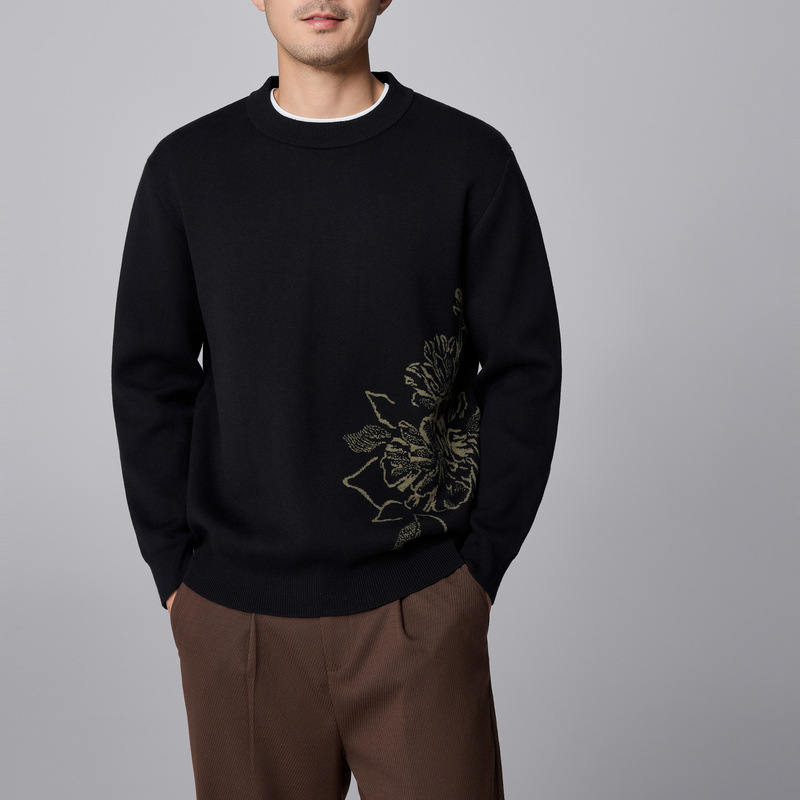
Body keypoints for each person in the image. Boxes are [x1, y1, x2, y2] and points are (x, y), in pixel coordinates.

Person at [111, 1, 562, 797]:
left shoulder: (468, 159)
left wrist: (478, 568)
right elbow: (151, 376)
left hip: (420, 603)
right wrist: (173, 571)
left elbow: (525, 366)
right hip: (236, 616)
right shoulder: (188, 168)